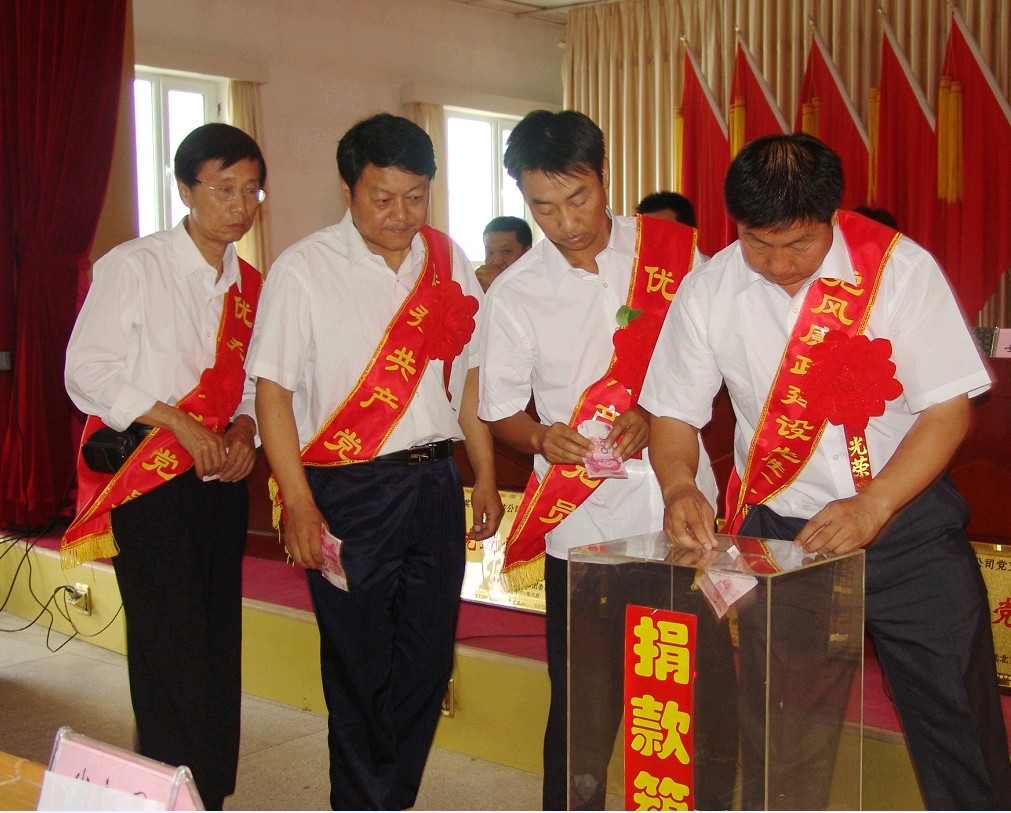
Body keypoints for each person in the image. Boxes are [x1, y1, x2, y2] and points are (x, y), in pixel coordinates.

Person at [641, 132, 1011, 810]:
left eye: (799, 245)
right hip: (786, 540)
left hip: (906, 529)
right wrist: (678, 484)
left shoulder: (898, 272)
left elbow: (948, 411)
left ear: (831, 217)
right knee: (782, 729)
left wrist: (875, 505)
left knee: (958, 720)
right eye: (758, 244)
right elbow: (672, 413)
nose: (778, 265)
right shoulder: (710, 288)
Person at [478, 109, 733, 810]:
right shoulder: (515, 292)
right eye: (543, 207)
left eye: (578, 197)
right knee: (583, 709)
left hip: (682, 518)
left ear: (604, 176)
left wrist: (658, 413)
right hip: (582, 530)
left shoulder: (675, 256)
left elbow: (718, 363)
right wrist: (540, 439)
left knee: (699, 693)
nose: (565, 223)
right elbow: (501, 409)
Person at [246, 113, 502, 810]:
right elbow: (272, 395)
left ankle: (393, 799)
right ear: (348, 188)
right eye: (382, 198)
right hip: (347, 491)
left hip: (434, 482)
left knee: (426, 660)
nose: (400, 214)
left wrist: (482, 472)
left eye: (415, 197)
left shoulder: (447, 259)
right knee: (359, 664)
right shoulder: (303, 269)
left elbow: (469, 378)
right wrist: (299, 504)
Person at [63, 123, 267, 810]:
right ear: (184, 189)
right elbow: (85, 372)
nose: (239, 205)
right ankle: (165, 787)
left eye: (251, 191)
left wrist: (244, 430)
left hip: (219, 482)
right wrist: (177, 421)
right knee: (167, 643)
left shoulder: (250, 284)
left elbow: (252, 386)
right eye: (223, 188)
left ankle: (210, 789)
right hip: (150, 482)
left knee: (217, 637)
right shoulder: (134, 266)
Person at [474, 215, 532, 291]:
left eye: (506, 251)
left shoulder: (541, 284)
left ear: (527, 253)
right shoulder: (480, 282)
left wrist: (499, 287)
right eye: (490, 252)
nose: (496, 261)